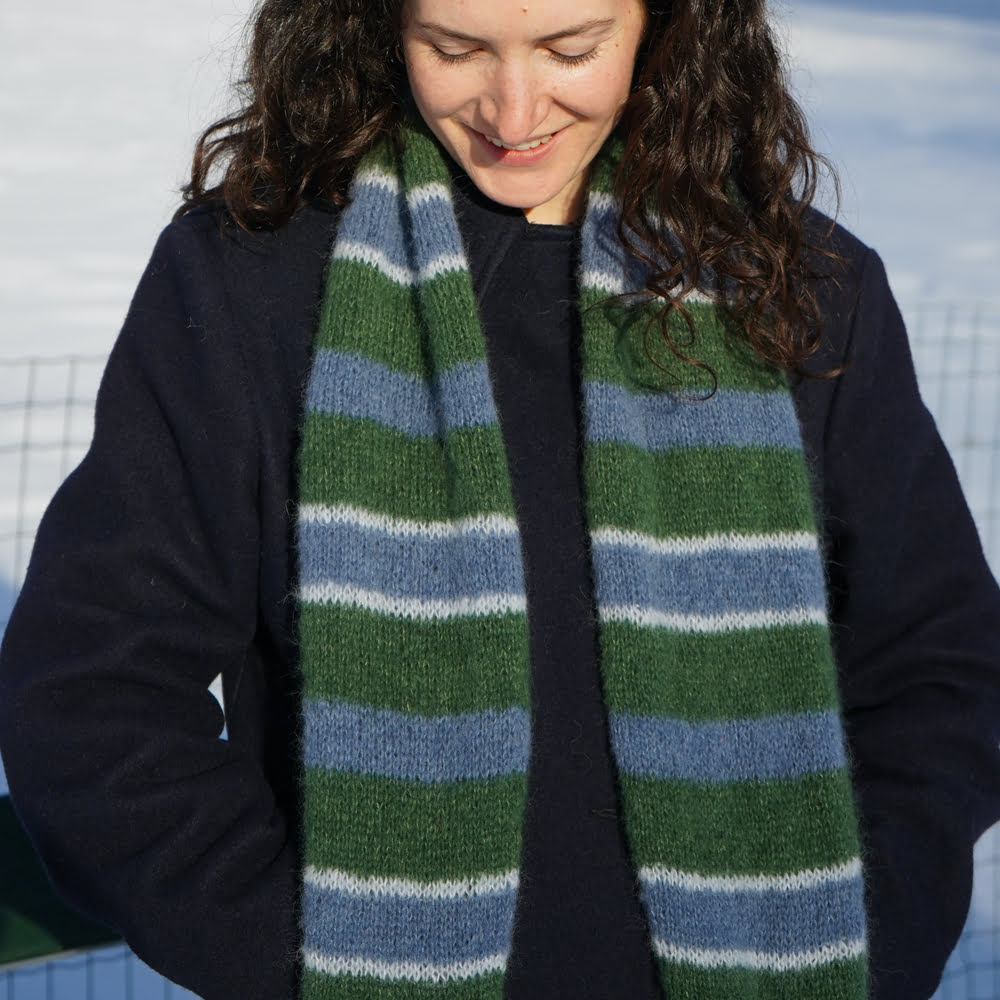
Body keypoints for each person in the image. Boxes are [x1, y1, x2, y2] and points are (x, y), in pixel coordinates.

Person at [1, 0, 999, 998]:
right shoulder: (252, 284)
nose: (511, 108)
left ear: (665, 24)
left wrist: (865, 944)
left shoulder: (799, 288)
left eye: (571, 48)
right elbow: (91, 699)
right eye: (455, 47)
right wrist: (300, 962)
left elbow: (942, 671)